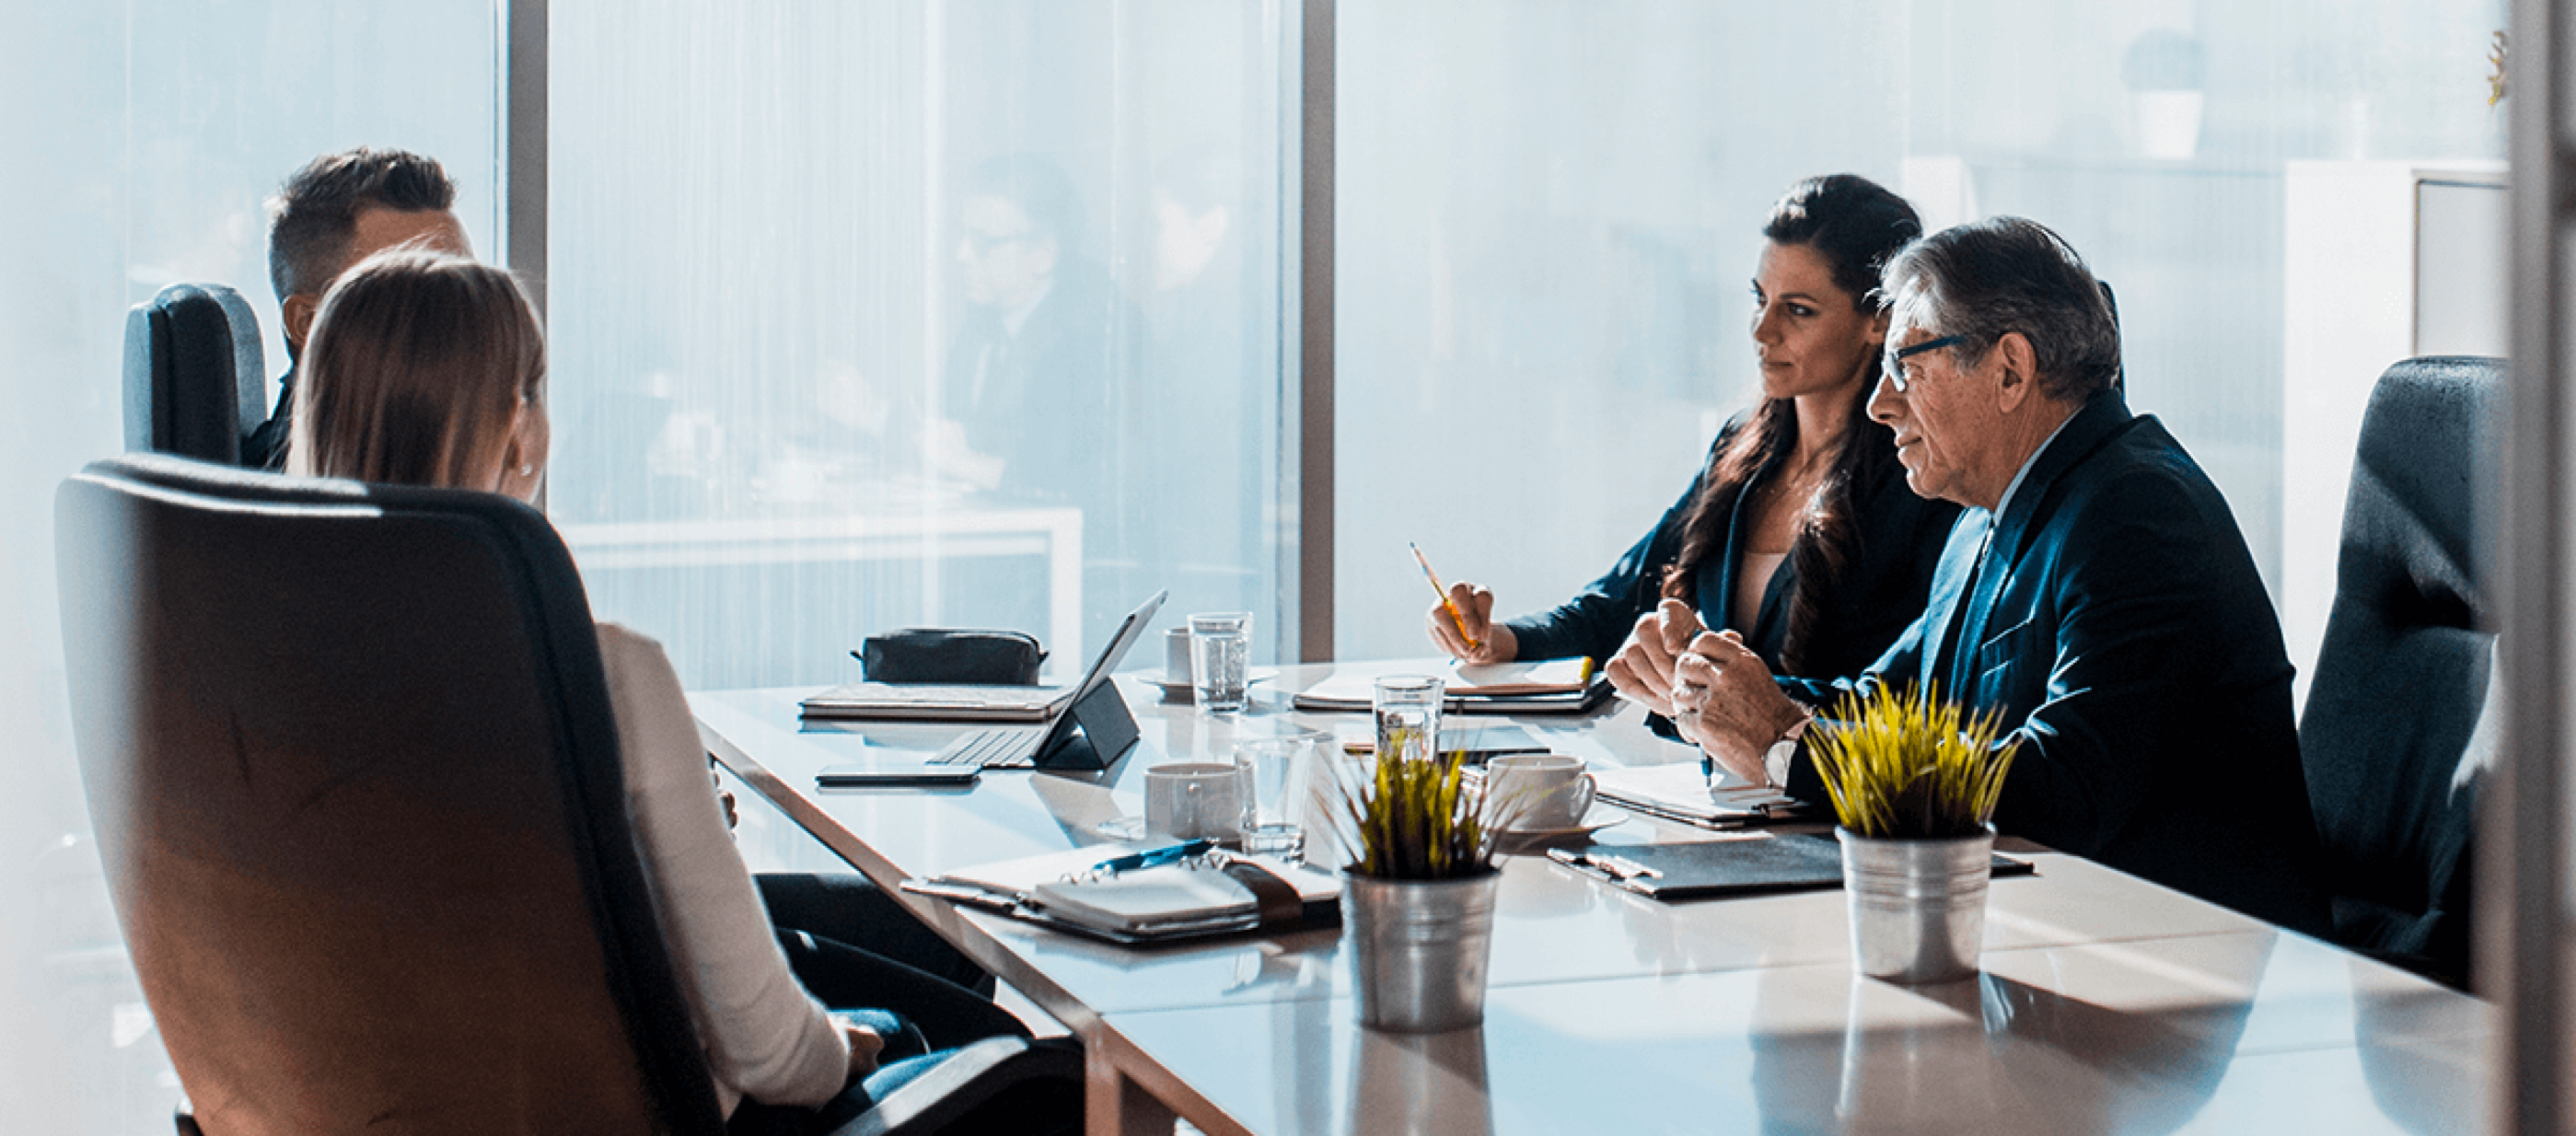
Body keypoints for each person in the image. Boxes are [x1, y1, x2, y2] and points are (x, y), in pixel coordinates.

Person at [284, 249, 1067, 1132]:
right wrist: (837, 1047)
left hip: (407, 1104)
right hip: (653, 1110)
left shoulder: (265, 672)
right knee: (1042, 1074)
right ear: (519, 431)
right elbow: (772, 1054)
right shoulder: (599, 672)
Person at [1621, 215, 2329, 935]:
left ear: (2010, 370)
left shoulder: (2136, 514)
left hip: (2194, 964)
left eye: (1907, 368)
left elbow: (2063, 786)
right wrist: (1706, 695)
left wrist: (1784, 748)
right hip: (2059, 937)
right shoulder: (1981, 521)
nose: (1879, 403)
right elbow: (1886, 709)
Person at [1429, 175, 1959, 690]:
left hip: (1822, 775)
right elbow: (1620, 602)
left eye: (1798, 311)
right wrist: (1501, 640)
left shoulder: (1921, 477)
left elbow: (1915, 683)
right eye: (1759, 299)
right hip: (1706, 777)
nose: (1762, 330)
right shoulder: (1740, 451)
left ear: (1880, 322)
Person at [246, 147, 471, 469]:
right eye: (413, 296)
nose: (462, 320)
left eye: (468, 290)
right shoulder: (282, 507)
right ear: (308, 324)